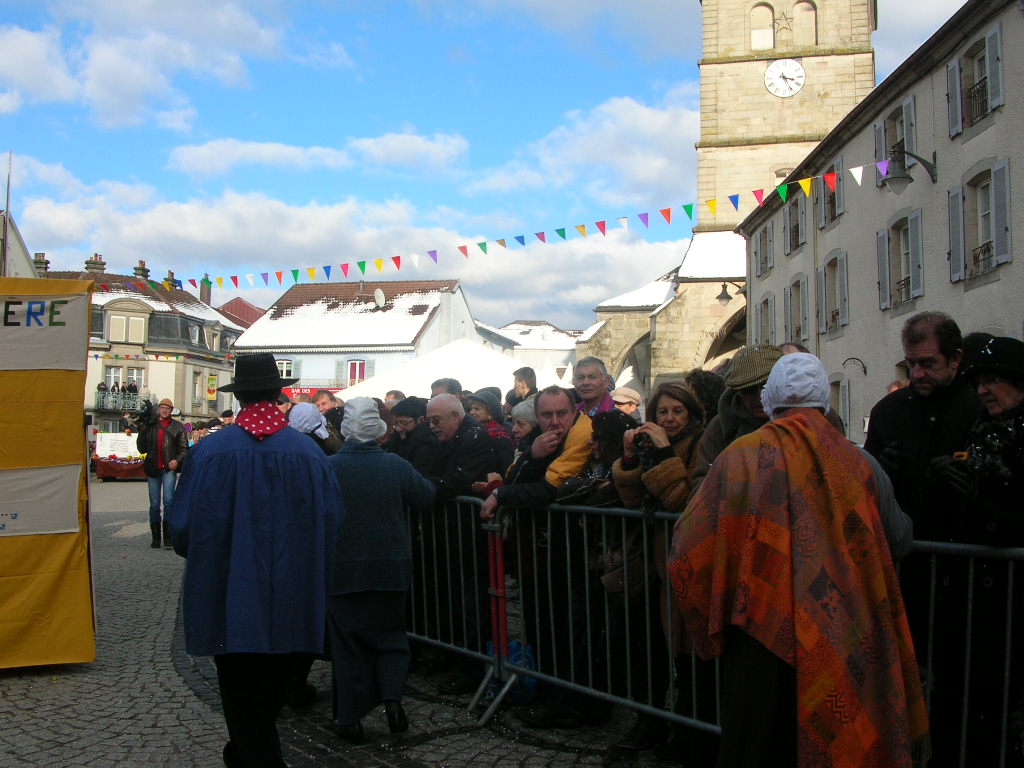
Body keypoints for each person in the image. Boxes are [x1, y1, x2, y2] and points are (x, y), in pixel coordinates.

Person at [669, 353, 929, 768]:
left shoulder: (739, 457)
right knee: (834, 740)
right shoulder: (857, 461)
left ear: (771, 400)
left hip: (757, 630)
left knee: (757, 743)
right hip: (841, 629)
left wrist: (714, 607)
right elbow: (898, 537)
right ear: (824, 402)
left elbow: (689, 543)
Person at [167, 353, 344, 768]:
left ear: (240, 395)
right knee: (278, 677)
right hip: (293, 589)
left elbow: (184, 526)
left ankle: (252, 755)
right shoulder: (309, 452)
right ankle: (252, 753)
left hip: (230, 588)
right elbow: (333, 521)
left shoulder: (210, 452)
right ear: (278, 393)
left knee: (238, 681)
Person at [933, 336, 1024, 765]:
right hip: (973, 605)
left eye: (993, 381)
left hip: (1011, 606)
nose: (984, 390)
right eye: (979, 382)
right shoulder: (982, 431)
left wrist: (980, 507)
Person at [326, 398, 436, 743]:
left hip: (343, 570)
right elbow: (426, 495)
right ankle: (392, 701)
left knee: (349, 645)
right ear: (378, 430)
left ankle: (350, 717)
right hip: (390, 568)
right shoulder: (395, 466)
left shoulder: (327, 467)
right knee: (391, 637)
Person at [608, 383, 706, 760]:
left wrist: (665, 452)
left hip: (683, 559)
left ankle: (685, 730)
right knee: (646, 646)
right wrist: (630, 460)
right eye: (662, 412)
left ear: (691, 414)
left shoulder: (699, 445)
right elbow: (632, 500)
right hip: (650, 560)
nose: (669, 418)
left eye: (677, 411)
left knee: (685, 651)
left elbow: (681, 500)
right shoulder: (651, 446)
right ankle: (648, 719)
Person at [688, 344, 783, 499]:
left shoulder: (806, 418)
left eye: (766, 386)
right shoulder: (718, 428)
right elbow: (702, 480)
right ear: (738, 391)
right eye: (749, 390)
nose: (760, 396)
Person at [136, 398, 188, 549]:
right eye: (162, 407)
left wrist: (177, 461)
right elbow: (141, 449)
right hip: (153, 468)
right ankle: (156, 537)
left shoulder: (177, 427)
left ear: (171, 410)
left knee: (169, 502)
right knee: (154, 504)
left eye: (167, 408)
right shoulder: (151, 425)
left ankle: (168, 536)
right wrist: (143, 429)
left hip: (168, 469)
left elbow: (184, 449)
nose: (164, 410)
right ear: (159, 409)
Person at [464, 390, 514, 472]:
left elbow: (506, 470)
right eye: (471, 409)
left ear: (490, 412)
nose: (471, 412)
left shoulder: (500, 438)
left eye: (477, 409)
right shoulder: (472, 432)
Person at [387, 396, 434, 474]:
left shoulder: (426, 441)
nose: (398, 428)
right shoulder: (400, 434)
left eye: (404, 423)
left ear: (421, 420)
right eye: (396, 423)